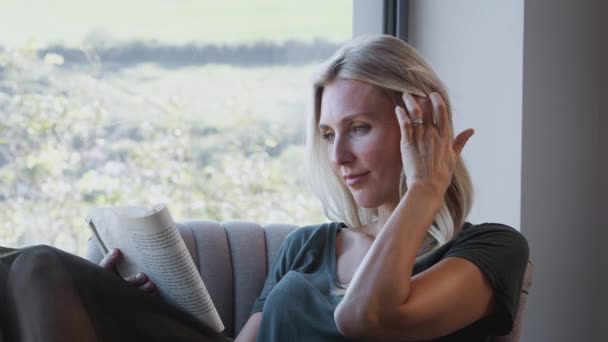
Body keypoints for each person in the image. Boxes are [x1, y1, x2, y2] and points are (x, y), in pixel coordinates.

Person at [0, 34, 529, 342]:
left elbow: (367, 317)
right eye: (327, 135)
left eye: (359, 129)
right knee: (32, 266)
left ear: (424, 126)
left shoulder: (491, 249)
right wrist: (142, 309)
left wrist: (421, 194)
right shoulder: (310, 245)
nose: (338, 156)